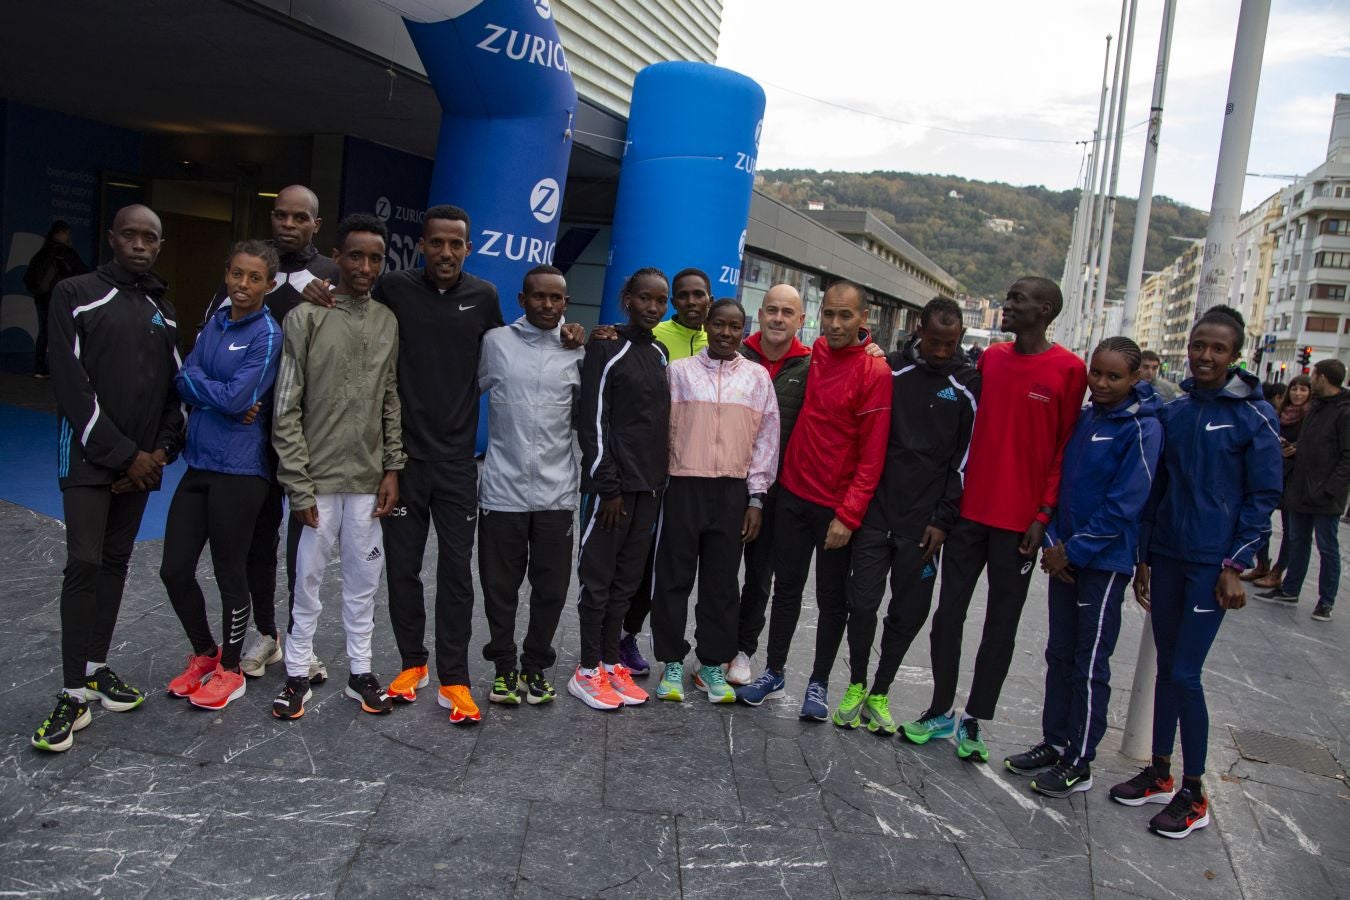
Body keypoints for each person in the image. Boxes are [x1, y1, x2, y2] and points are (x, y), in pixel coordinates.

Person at [301, 205, 583, 724]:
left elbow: (515, 349)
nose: (446, 253)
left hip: (457, 464)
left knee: (456, 573)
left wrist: (571, 332)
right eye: (437, 243)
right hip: (402, 461)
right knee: (403, 570)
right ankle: (414, 664)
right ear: (422, 245)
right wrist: (315, 288)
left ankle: (454, 676)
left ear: (468, 248)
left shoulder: (484, 298)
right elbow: (350, 297)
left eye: (456, 244)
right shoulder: (395, 289)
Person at [1110, 305, 1281, 839]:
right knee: (1166, 669)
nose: (1205, 355)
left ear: (1235, 355)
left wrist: (1235, 563)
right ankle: (1160, 772)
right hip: (1168, 556)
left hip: (1212, 564)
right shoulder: (1177, 411)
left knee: (1186, 674)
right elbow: (1156, 490)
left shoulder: (1254, 416)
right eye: (1199, 345)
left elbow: (1264, 496)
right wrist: (1143, 556)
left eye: (1218, 349)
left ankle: (1195, 791)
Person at [902, 277, 1086, 762]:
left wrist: (1044, 515)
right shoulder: (991, 359)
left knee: (1000, 626)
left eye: (1018, 300)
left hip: (1021, 526)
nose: (1007, 305)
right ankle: (940, 709)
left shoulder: (1070, 370)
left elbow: (1066, 449)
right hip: (967, 516)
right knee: (948, 616)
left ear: (1045, 310)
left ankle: (975, 720)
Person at [32, 205, 184, 752]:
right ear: (113, 237)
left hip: (143, 463)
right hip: (92, 461)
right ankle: (72, 693)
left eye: (151, 237)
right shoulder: (74, 293)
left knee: (117, 563)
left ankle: (96, 667)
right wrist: (124, 456)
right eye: (131, 234)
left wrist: (160, 452)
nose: (141, 244)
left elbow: (175, 392)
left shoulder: (162, 310)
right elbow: (71, 387)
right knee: (84, 564)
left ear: (159, 245)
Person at [1003, 337, 1162, 798]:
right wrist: (1055, 545)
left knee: (1090, 662)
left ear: (1135, 379)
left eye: (1115, 376)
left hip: (1103, 563)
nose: (1103, 383)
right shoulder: (1086, 417)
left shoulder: (1143, 428)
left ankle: (1080, 759)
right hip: (1064, 557)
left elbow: (1127, 501)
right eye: (1097, 373)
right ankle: (1054, 741)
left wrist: (1074, 551)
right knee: (1059, 654)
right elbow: (1062, 483)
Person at [202, 185, 340, 684]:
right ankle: (267, 635)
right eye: (280, 214)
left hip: (310, 437)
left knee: (306, 547)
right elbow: (208, 348)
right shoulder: (245, 276)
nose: (288, 224)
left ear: (315, 225)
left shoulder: (332, 277)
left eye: (299, 217)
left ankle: (302, 642)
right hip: (252, 439)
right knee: (259, 539)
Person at [270, 213, 405, 720]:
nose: (365, 266)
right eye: (356, 255)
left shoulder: (387, 321)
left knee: (363, 582)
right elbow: (285, 406)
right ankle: (297, 674)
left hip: (368, 480)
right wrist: (297, 485)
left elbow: (390, 397)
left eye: (375, 258)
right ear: (338, 256)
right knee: (306, 580)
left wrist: (392, 468)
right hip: (316, 481)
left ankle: (360, 671)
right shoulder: (305, 317)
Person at [736, 279, 891, 719]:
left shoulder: (875, 371)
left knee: (831, 600)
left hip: (835, 508)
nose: (837, 324)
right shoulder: (817, 352)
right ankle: (775, 670)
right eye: (830, 314)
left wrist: (849, 514)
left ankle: (819, 683)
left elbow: (873, 455)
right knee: (785, 588)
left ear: (864, 319)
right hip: (793, 495)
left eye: (847, 316)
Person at [829, 297, 979, 734]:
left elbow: (965, 460)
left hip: (926, 524)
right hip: (878, 511)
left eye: (949, 344)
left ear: (961, 339)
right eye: (933, 341)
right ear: (918, 329)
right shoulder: (889, 368)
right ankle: (856, 683)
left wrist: (943, 518)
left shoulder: (969, 383)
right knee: (862, 603)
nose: (939, 351)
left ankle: (880, 690)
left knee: (908, 612)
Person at [161, 241, 283, 710]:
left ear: (269, 284)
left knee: (229, 572)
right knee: (173, 569)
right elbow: (183, 379)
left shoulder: (267, 334)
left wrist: (211, 393)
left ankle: (231, 669)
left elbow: (237, 398)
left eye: (254, 278)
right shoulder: (215, 321)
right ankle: (207, 654)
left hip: (241, 470)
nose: (243, 285)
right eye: (237, 274)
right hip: (200, 463)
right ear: (227, 274)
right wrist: (221, 395)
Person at [650, 299, 779, 703]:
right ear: (707, 325)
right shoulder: (679, 372)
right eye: (718, 325)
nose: (726, 333)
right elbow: (663, 430)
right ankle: (671, 660)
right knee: (673, 578)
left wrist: (755, 498)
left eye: (734, 327)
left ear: (744, 330)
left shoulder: (757, 378)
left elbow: (766, 439)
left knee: (722, 583)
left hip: (732, 491)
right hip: (683, 485)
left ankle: (710, 663)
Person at [476, 265, 584, 706]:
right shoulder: (495, 343)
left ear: (565, 303)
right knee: (499, 588)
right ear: (521, 300)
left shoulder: (578, 351)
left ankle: (535, 667)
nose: (547, 305)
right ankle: (503, 667)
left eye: (556, 298)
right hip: (502, 490)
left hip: (557, 494)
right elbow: (461, 394)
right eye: (538, 297)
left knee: (552, 590)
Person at [571, 268, 671, 710]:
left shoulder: (661, 352)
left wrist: (655, 483)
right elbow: (592, 421)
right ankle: (587, 669)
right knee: (598, 580)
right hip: (610, 492)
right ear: (627, 298)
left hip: (648, 490)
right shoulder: (606, 345)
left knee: (626, 583)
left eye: (660, 300)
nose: (653, 307)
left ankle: (612, 662)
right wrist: (606, 485)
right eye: (644, 298)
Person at [616, 266, 713, 673]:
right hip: (652, 470)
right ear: (674, 301)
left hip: (699, 476)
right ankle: (623, 637)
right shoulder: (655, 336)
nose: (691, 302)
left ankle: (687, 647)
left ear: (710, 297)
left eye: (699, 295)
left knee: (677, 566)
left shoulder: (723, 338)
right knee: (638, 560)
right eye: (683, 296)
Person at [729, 284, 812, 685]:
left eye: (788, 312)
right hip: (727, 484)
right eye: (772, 310)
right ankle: (715, 648)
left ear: (801, 320)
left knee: (759, 578)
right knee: (720, 573)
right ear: (759, 314)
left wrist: (869, 346)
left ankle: (743, 650)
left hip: (779, 494)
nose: (779, 318)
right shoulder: (734, 353)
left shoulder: (813, 365)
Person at [1258, 359, 1350, 621]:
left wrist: (1330, 488)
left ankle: (1326, 601)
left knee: (1327, 547)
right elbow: (1312, 444)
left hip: (1325, 494)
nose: (1310, 382)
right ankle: (1290, 589)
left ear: (1323, 378)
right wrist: (1294, 448)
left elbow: (1346, 456)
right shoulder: (1317, 408)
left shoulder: (1344, 411)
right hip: (1301, 488)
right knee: (1297, 541)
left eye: (1314, 377)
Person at [1251, 374, 1309, 588]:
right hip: (1276, 472)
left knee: (1290, 531)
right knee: (1260, 522)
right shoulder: (1279, 414)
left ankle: (1278, 572)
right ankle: (1262, 563)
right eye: (1294, 389)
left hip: (1296, 478)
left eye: (1303, 389)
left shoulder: (1309, 416)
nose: (1297, 393)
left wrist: (1296, 448)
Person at [23, 220, 88, 379]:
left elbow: (28, 277)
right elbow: (83, 272)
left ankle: (40, 368)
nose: (68, 236)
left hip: (42, 298)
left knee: (44, 331)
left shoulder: (42, 253)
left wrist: (38, 292)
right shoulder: (66, 253)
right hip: (61, 298)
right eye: (67, 233)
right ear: (60, 233)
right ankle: (62, 367)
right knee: (65, 332)